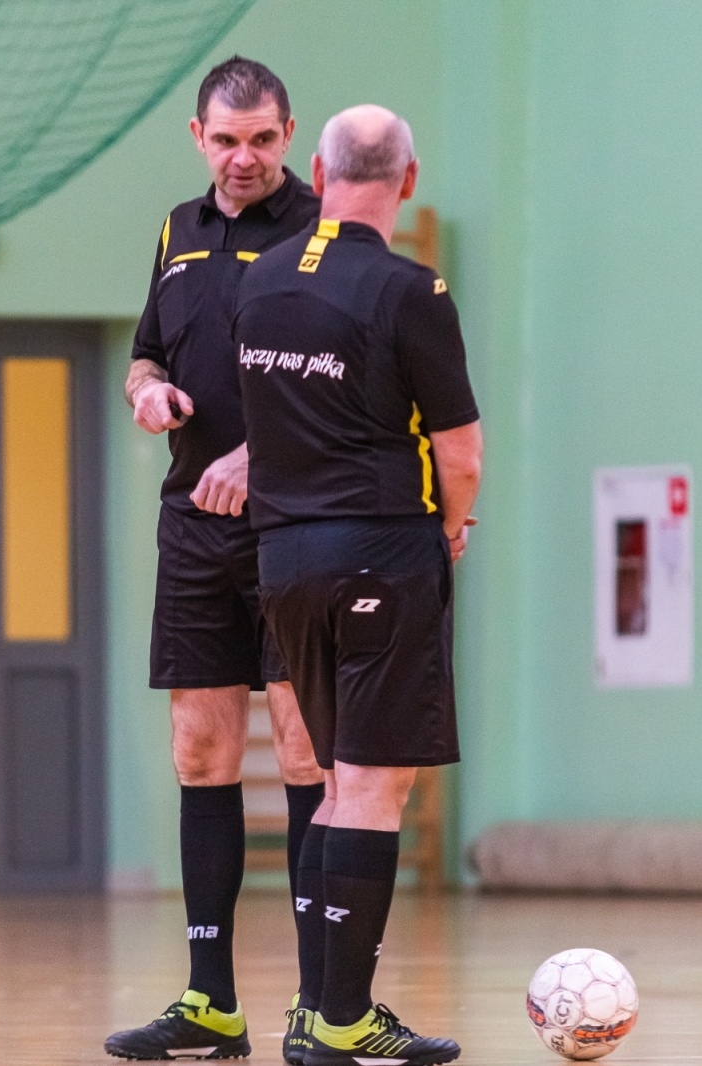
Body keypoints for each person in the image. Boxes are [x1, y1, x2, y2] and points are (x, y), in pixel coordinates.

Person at [233, 104, 483, 1066]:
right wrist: (453, 525)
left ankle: (319, 1009)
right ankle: (339, 1019)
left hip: (283, 563)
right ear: (406, 180)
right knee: (377, 788)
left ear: (318, 170)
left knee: (338, 784)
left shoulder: (259, 283)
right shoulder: (410, 290)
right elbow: (459, 451)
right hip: (379, 552)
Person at [104, 56, 325, 1062]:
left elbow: (349, 391)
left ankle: (323, 1000)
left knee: (304, 754)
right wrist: (146, 391)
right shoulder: (176, 231)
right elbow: (146, 353)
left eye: (263, 139)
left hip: (296, 526)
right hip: (194, 526)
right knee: (200, 756)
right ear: (199, 137)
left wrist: (261, 455)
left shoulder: (325, 235)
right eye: (227, 140)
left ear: (289, 135)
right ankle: (209, 1000)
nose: (244, 158)